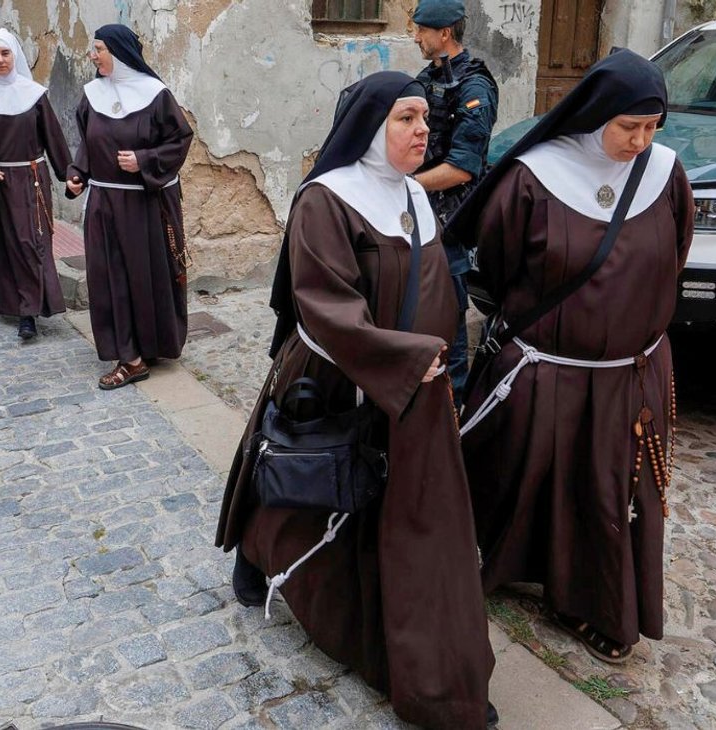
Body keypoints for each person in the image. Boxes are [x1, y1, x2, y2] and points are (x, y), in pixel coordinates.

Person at [215, 71, 496, 730]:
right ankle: (256, 554)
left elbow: (437, 293)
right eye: (405, 118)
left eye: (425, 118)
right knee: (306, 485)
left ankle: (426, 668)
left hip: (412, 384)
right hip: (336, 375)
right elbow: (325, 305)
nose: (422, 130)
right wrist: (404, 362)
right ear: (369, 128)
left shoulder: (415, 198)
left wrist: (439, 362)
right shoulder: (326, 201)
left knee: (405, 516)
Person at [447, 50, 694, 665]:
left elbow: (675, 253)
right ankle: (509, 567)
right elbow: (500, 267)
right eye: (627, 128)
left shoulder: (666, 173)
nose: (640, 142)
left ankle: (595, 604)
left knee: (610, 493)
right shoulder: (535, 175)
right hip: (547, 368)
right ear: (596, 115)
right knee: (535, 474)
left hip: (630, 377)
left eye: (652, 128)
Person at [65, 25, 192, 390]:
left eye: (99, 48)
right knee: (110, 278)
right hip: (104, 203)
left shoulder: (155, 95)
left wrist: (144, 159)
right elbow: (86, 144)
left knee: (145, 275)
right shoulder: (91, 95)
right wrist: (78, 174)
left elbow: (179, 140)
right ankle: (129, 357)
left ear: (119, 52)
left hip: (144, 205)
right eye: (93, 48)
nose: (93, 55)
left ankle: (147, 346)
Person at [411, 0, 498, 404]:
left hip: (448, 226)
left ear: (444, 33)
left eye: (421, 30)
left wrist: (405, 185)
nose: (415, 37)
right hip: (417, 219)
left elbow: (463, 167)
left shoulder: (474, 87)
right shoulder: (426, 79)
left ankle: (455, 419)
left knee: (448, 334)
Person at [0, 29, 71, 340]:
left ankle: (29, 312)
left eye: (5, 54)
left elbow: (52, 136)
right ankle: (8, 300)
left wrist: (71, 174)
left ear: (15, 56)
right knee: (2, 244)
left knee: (31, 243)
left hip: (31, 180)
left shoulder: (34, 94)